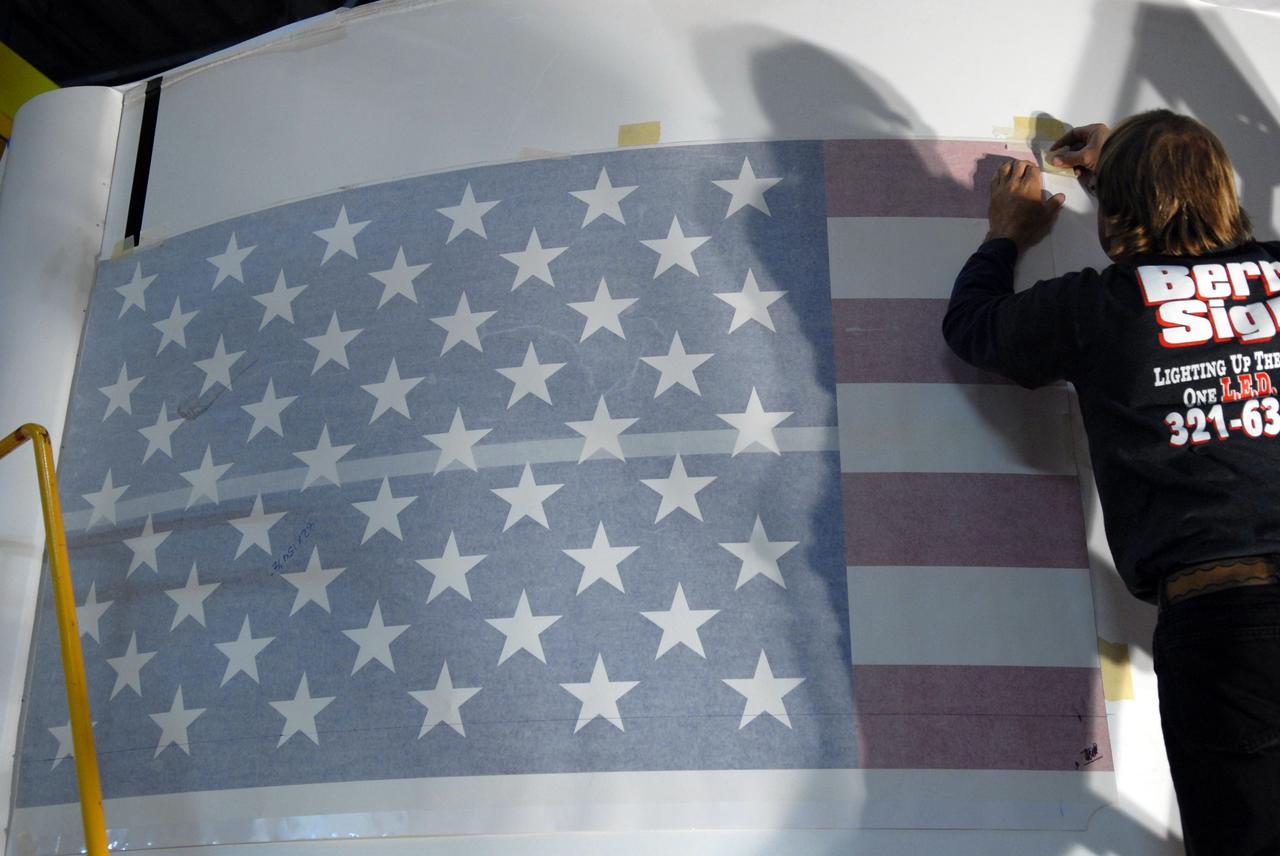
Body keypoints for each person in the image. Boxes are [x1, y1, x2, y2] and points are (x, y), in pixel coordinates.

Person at [942, 110, 1280, 856]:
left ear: (1120, 211)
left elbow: (973, 326)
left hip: (1229, 629)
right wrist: (1133, 165)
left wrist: (1005, 234)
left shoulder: (1100, 308)